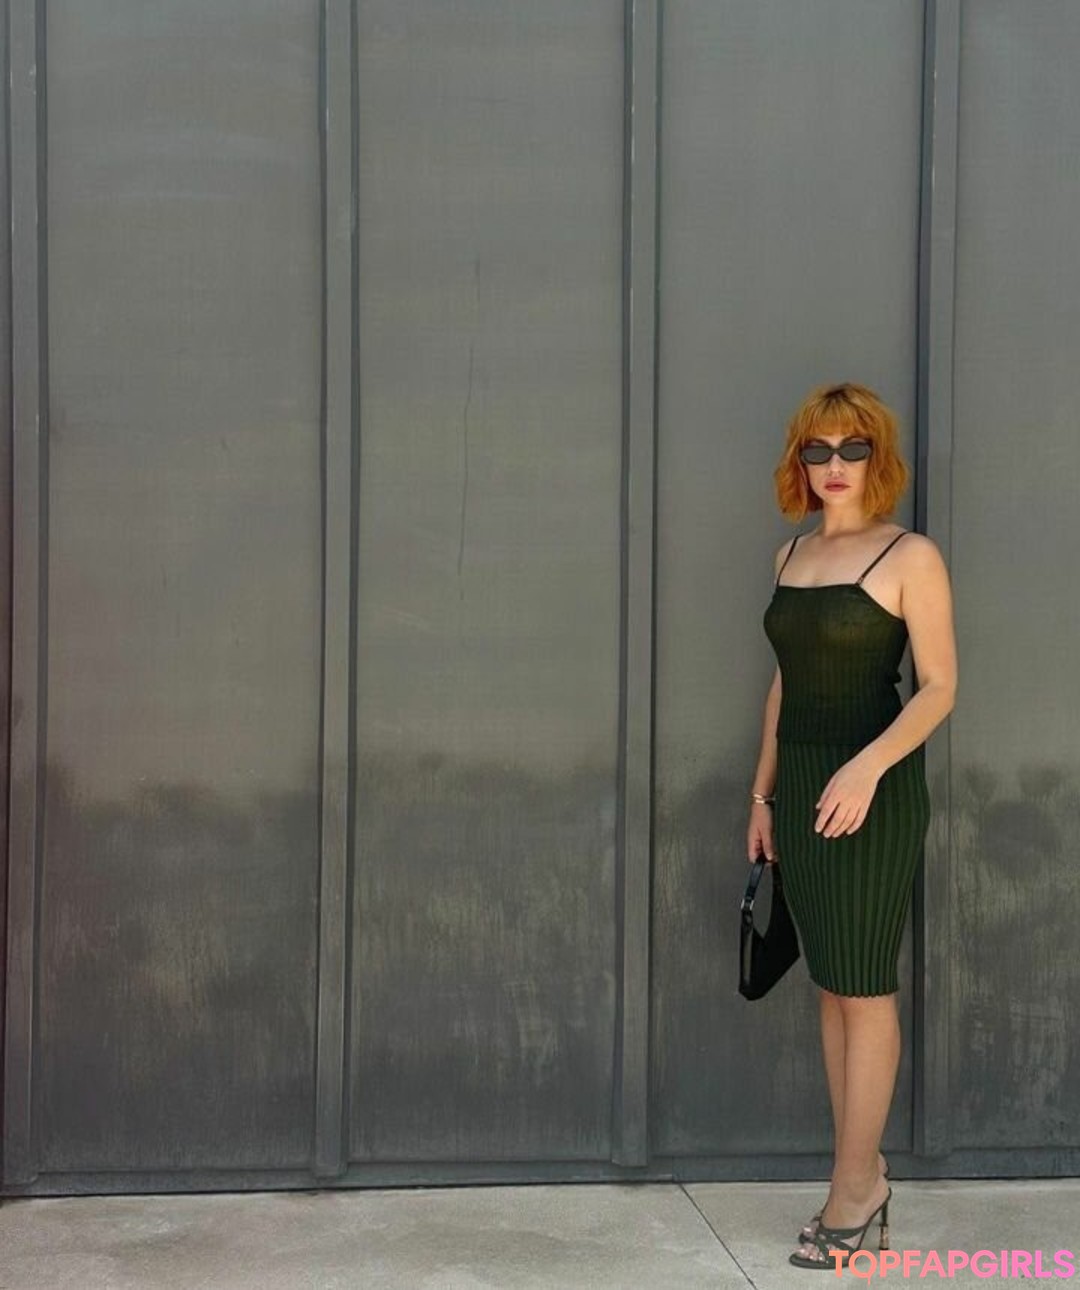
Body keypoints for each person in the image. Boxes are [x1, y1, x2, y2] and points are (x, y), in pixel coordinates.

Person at [747, 382, 957, 1270]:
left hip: (871, 790)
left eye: (852, 448)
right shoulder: (791, 554)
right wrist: (762, 798)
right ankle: (860, 1178)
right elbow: (786, 684)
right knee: (831, 984)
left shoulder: (910, 555)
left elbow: (939, 687)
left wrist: (868, 766)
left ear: (878, 457)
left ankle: (852, 1192)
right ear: (800, 462)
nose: (834, 465)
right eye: (817, 450)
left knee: (864, 987)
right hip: (801, 788)